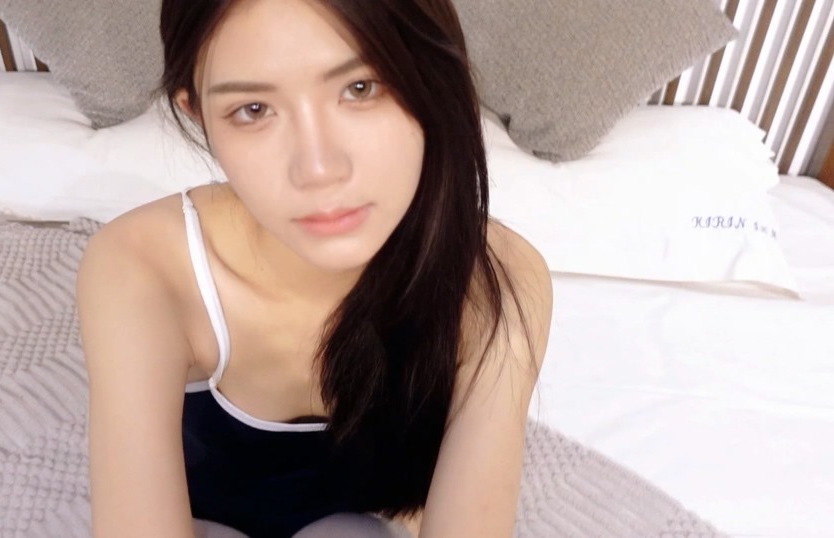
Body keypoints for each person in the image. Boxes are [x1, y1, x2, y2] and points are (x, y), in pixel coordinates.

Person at [76, 0, 553, 536]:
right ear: (198, 115)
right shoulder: (141, 267)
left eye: (361, 88)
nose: (318, 169)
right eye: (253, 109)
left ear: (432, 77)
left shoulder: (498, 284)